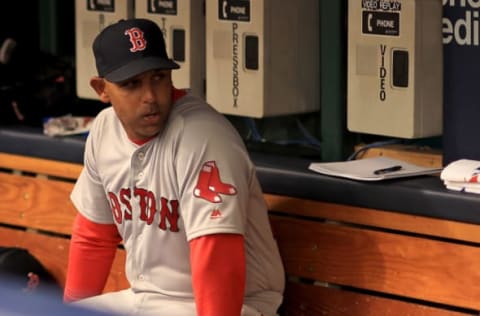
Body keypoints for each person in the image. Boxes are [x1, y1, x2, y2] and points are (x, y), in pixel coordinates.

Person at [63, 18, 285, 316]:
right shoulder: (104, 130)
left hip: (234, 305)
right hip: (145, 299)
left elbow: (217, 255)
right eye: (132, 84)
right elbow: (95, 236)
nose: (150, 97)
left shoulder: (202, 136)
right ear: (101, 89)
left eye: (158, 77)